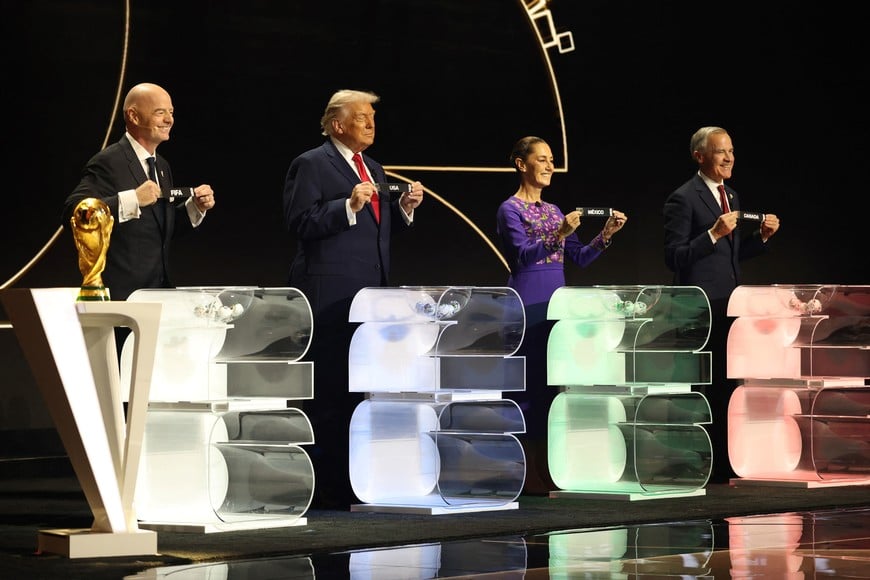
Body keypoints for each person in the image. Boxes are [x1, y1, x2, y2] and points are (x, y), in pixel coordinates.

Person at [282, 89, 424, 508]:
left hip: (367, 300)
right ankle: (320, 486)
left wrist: (405, 210)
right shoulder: (310, 163)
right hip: (329, 295)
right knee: (326, 390)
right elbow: (298, 221)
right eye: (361, 117)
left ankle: (350, 481)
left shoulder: (374, 167)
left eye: (372, 117)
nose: (369, 123)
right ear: (337, 124)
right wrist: (346, 204)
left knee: (356, 390)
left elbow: (372, 232)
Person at [496, 135, 627, 493]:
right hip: (528, 299)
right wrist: (560, 233)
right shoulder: (510, 209)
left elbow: (580, 257)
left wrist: (604, 235)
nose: (550, 165)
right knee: (527, 386)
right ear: (522, 165)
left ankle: (551, 465)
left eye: (552, 159)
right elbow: (523, 255)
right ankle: (522, 469)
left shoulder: (554, 210)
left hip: (557, 302)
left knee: (554, 383)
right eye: (542, 159)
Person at [663, 125, 780, 483]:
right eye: (720, 151)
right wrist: (713, 233)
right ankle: (695, 465)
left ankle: (728, 464)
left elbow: (729, 258)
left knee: (728, 387)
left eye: (731, 151)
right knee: (702, 390)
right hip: (698, 310)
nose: (728, 157)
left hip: (729, 309)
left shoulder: (731, 195)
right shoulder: (683, 198)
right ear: (700, 156)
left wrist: (759, 239)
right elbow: (675, 257)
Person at [63, 82, 216, 302]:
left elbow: (155, 231)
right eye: (160, 112)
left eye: (171, 112)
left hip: (158, 296)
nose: (169, 120)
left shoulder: (162, 166)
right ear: (134, 116)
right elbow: (73, 213)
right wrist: (132, 199)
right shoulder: (109, 162)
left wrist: (194, 208)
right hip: (123, 300)